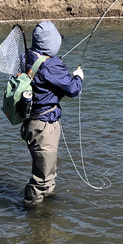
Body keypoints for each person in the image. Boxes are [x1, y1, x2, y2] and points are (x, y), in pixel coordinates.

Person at [20, 20, 84, 208]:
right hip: (43, 127)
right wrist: (78, 76)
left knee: (48, 171)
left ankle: (47, 208)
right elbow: (73, 89)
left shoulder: (27, 57)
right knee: (41, 178)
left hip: (32, 124)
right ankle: (33, 217)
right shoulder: (51, 66)